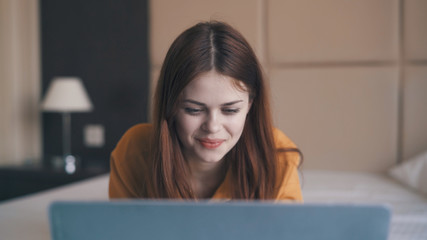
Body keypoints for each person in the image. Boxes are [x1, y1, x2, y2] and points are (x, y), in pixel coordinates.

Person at [109, 21, 303, 200]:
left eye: (230, 110)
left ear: (250, 104)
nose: (212, 126)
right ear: (172, 106)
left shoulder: (276, 154)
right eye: (193, 110)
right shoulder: (135, 152)